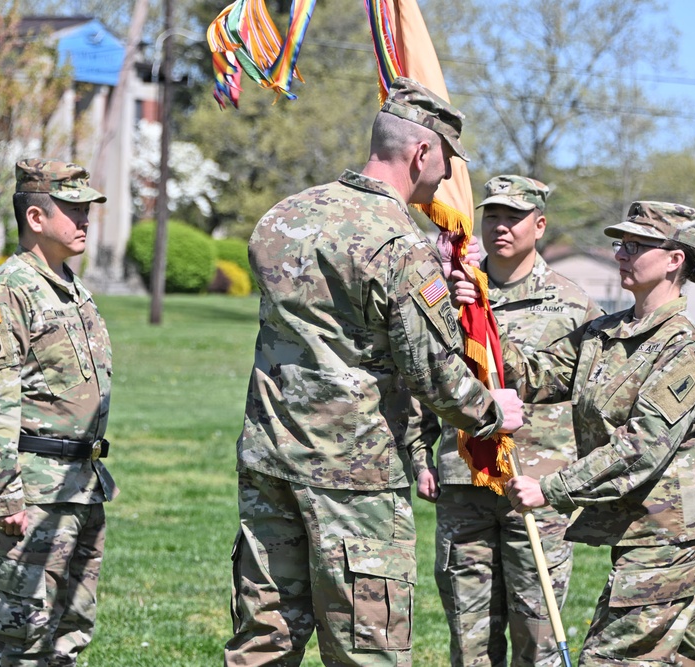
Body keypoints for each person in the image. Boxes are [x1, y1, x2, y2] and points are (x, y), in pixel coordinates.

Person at [224, 76, 524, 667]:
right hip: (354, 476)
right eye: (445, 162)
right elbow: (431, 369)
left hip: (270, 459)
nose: (445, 178)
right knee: (368, 651)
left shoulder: (282, 218)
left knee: (263, 642)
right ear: (421, 153)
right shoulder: (398, 243)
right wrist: (491, 411)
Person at [481, 201, 695, 666]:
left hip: (668, 529)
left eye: (637, 246)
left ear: (676, 259)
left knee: (612, 656)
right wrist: (474, 317)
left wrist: (551, 489)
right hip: (634, 524)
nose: (621, 254)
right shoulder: (602, 333)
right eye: (621, 244)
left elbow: (641, 447)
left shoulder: (685, 347)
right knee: (679, 656)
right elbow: (532, 373)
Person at [411, 175, 603, 667]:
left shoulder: (573, 305)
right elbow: (424, 373)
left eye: (513, 217)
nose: (500, 226)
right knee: (469, 638)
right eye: (492, 215)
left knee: (538, 632)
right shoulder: (451, 294)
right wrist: (419, 452)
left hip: (535, 485)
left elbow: (591, 395)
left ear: (539, 225)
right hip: (465, 478)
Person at [0, 158, 118, 667]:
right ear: (35, 218)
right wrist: (5, 493)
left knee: (70, 635)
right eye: (72, 208)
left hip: (80, 483)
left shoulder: (71, 290)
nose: (84, 219)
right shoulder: (4, 291)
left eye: (87, 208)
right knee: (21, 640)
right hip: (31, 489)